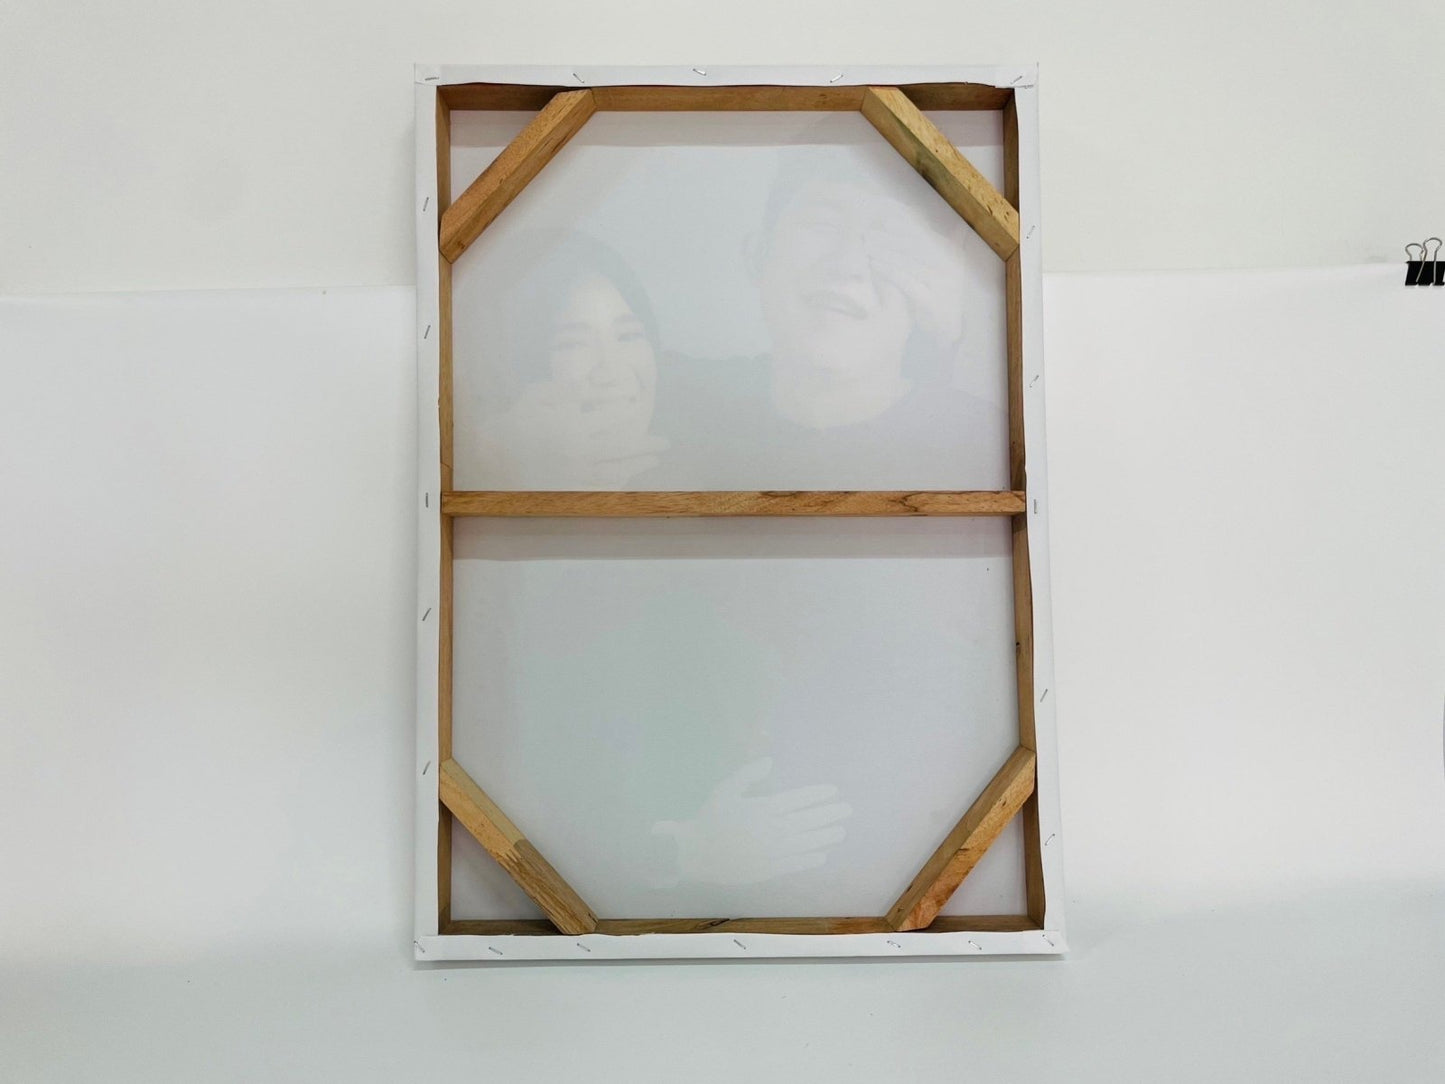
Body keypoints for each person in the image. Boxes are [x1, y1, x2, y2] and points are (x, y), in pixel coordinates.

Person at [454, 231, 670, 490]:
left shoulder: (699, 439)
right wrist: (493, 461)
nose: (610, 370)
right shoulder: (491, 466)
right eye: (574, 343)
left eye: (628, 335)